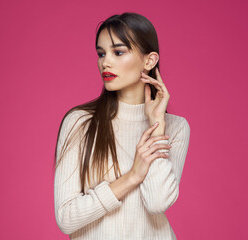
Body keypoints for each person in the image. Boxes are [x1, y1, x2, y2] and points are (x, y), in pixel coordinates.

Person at [53, 12, 190, 240]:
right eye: (101, 53)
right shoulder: (80, 122)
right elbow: (66, 218)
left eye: (118, 52)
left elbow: (157, 203)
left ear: (149, 60)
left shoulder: (175, 128)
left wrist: (156, 125)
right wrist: (132, 177)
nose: (105, 61)